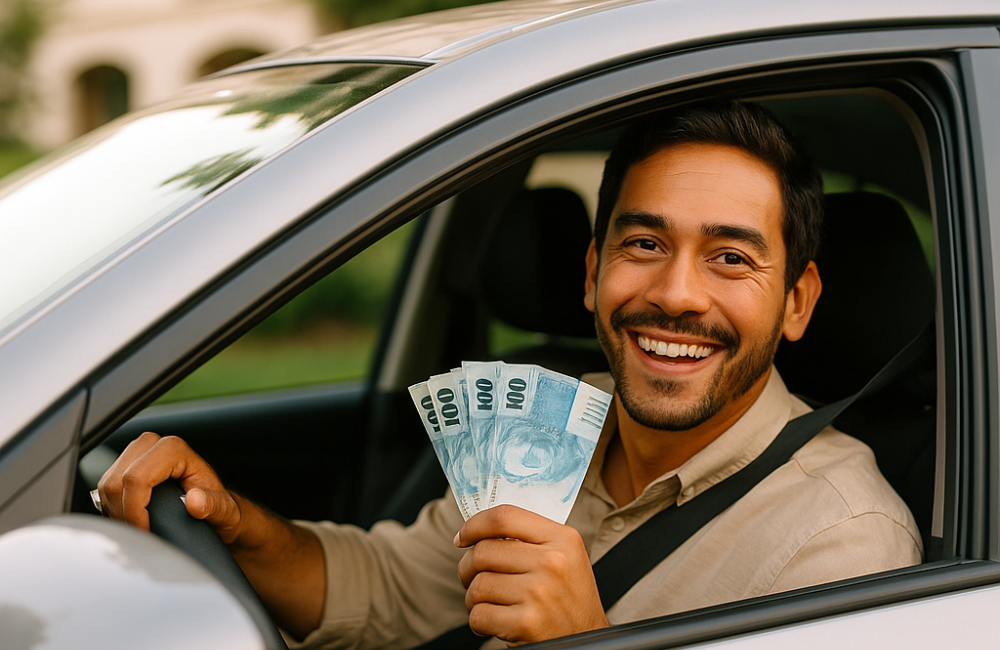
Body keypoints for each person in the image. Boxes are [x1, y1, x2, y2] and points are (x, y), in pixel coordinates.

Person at [97, 100, 922, 649]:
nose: (674, 294)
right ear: (593, 271)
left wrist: (581, 639)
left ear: (796, 303)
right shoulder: (548, 422)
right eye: (643, 245)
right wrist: (236, 522)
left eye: (731, 258)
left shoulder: (845, 541)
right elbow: (384, 588)